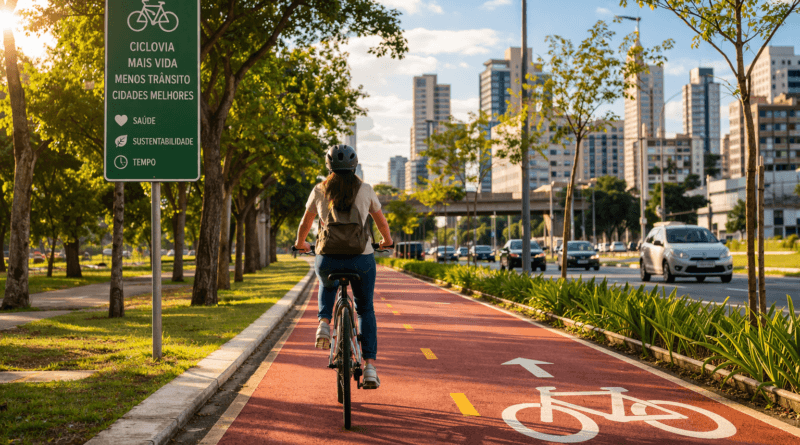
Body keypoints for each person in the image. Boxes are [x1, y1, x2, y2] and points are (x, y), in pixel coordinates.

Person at [295, 145, 393, 389]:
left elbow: (305, 224)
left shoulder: (319, 190)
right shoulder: (366, 189)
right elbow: (382, 223)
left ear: (328, 166)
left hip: (328, 257)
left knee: (326, 282)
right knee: (365, 309)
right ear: (354, 165)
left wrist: (300, 244)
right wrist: (387, 242)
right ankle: (370, 367)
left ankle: (324, 324)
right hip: (362, 259)